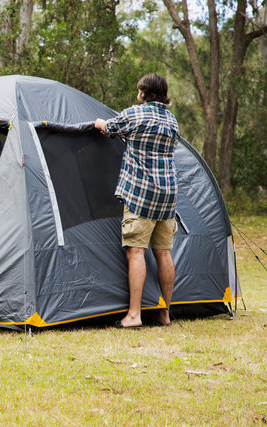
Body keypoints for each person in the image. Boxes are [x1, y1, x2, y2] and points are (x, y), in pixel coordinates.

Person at [94, 73, 180, 329]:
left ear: (144, 92)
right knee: (164, 253)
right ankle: (165, 314)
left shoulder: (135, 114)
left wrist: (99, 122)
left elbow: (107, 127)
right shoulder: (172, 120)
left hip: (141, 194)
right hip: (168, 196)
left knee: (136, 252)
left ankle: (133, 315)